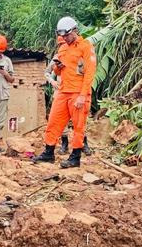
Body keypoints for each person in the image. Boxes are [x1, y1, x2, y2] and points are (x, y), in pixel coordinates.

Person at [34, 17, 96, 168]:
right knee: (54, 121)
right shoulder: (63, 48)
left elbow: (90, 73)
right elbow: (56, 70)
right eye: (62, 36)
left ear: (74, 31)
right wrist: (58, 66)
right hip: (63, 91)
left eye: (67, 35)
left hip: (78, 92)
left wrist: (82, 95)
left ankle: (75, 157)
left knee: (78, 126)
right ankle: (49, 152)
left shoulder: (86, 47)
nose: (65, 38)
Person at [44, 44, 90, 156]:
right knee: (59, 121)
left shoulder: (80, 54)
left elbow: (86, 73)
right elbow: (47, 72)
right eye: (60, 44)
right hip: (60, 91)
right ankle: (64, 144)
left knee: (79, 121)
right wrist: (52, 81)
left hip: (76, 91)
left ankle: (83, 144)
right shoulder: (57, 56)